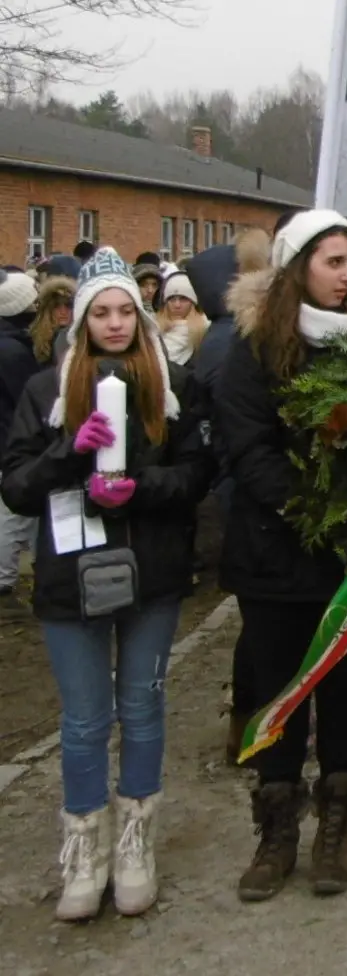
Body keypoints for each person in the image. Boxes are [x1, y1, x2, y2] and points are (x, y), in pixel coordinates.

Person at [0, 250, 210, 920]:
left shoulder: (171, 386)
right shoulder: (45, 392)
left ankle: (134, 842)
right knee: (85, 719)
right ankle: (83, 854)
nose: (115, 324)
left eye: (125, 311)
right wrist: (69, 451)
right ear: (80, 321)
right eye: (102, 313)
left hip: (150, 575)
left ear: (140, 315)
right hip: (70, 579)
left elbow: (197, 479)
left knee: (143, 708)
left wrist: (137, 487)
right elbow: (16, 486)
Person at [217, 211, 347, 902]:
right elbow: (248, 450)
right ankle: (276, 830)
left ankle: (334, 833)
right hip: (273, 557)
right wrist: (313, 509)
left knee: (343, 694)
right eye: (333, 262)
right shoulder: (252, 351)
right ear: (297, 269)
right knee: (280, 694)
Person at [189, 230, 270, 764]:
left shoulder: (215, 338)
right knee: (263, 631)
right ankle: (253, 729)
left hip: (238, 486)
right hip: (248, 493)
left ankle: (251, 725)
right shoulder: (240, 341)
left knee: (259, 629)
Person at [0, 269, 41, 619]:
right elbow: (24, 397)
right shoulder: (13, 351)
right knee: (11, 516)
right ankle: (2, 581)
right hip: (8, 440)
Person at [156, 270, 209, 368]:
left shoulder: (205, 332)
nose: (177, 305)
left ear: (193, 302)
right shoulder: (153, 331)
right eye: (172, 299)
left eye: (183, 299)